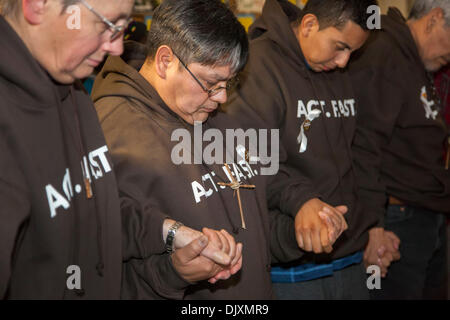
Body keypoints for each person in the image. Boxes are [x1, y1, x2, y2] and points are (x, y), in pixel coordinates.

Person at [0, 0, 240, 299]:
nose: (116, 48)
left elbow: (96, 208)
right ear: (38, 5)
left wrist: (171, 233)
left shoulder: (73, 95)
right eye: (108, 24)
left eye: (122, 28)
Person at [91, 0, 327, 299]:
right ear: (165, 61)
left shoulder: (214, 116)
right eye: (211, 83)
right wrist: (174, 274)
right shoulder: (111, 132)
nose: (222, 97)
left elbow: (252, 223)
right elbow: (106, 263)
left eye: (229, 82)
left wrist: (298, 233)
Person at [225, 0, 397, 299]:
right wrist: (301, 199)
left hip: (351, 256)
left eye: (352, 53)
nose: (344, 62)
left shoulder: (334, 69)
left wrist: (373, 223)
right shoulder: (258, 66)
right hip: (290, 267)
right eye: (339, 47)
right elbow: (245, 161)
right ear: (309, 25)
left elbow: (360, 154)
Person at [349, 0, 450, 299]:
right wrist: (373, 225)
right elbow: (362, 144)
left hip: (425, 215)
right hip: (395, 220)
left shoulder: (415, 60)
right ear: (434, 19)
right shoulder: (384, 53)